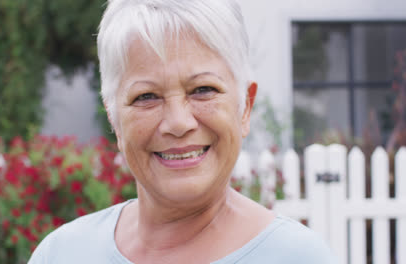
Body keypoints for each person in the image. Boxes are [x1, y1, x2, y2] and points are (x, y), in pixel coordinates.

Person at [28, 0, 337, 263]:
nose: (178, 123)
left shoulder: (298, 257)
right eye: (146, 97)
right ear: (114, 118)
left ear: (245, 107)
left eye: (203, 89)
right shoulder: (61, 254)